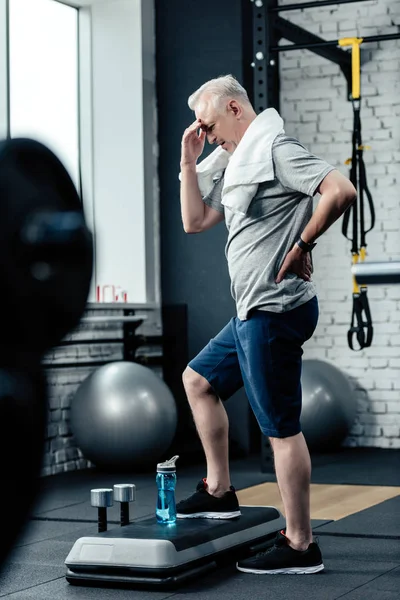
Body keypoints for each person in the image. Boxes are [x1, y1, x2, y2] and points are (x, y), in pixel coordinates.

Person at [176, 74, 356, 575]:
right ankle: (219, 491)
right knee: (198, 380)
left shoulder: (273, 149)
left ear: (235, 109)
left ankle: (301, 544)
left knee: (279, 431)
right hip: (249, 313)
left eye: (210, 126)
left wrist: (302, 245)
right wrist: (189, 160)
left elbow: (340, 190)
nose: (208, 135)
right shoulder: (236, 160)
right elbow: (193, 222)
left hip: (274, 311)